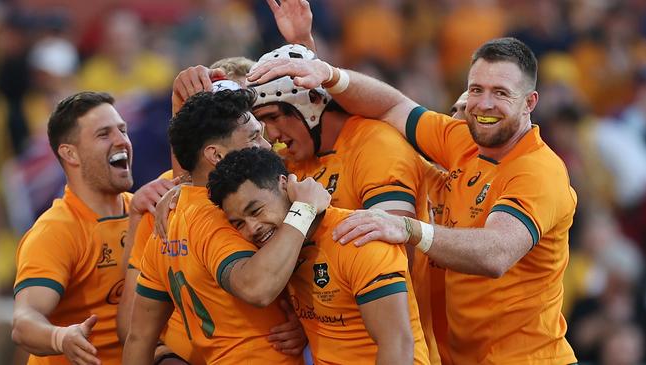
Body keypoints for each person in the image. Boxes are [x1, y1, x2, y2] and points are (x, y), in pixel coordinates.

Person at [247, 37, 579, 364]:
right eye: (476, 89)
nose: (483, 104)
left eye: (501, 93)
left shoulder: (538, 170)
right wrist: (330, 75)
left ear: (530, 102)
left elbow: (496, 253)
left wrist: (409, 229)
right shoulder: (462, 141)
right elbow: (393, 105)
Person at [122, 89, 329, 364]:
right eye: (254, 137)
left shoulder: (171, 217)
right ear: (216, 155)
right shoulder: (218, 217)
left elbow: (138, 337)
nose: (267, 146)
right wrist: (304, 210)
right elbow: (257, 287)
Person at [208, 147, 430, 365]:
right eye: (239, 224)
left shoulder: (357, 237)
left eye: (256, 211)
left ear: (285, 185)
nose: (252, 228)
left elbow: (397, 344)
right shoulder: (278, 250)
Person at [11, 91, 169, 365]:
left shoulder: (150, 210)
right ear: (70, 153)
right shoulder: (56, 230)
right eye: (104, 134)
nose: (122, 141)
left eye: (123, 130)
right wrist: (60, 338)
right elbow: (24, 322)